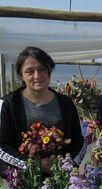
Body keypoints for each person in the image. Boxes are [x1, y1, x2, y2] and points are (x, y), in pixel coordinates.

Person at [0, 46, 86, 175]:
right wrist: (35, 166)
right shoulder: (8, 105)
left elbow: (79, 141)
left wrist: (65, 166)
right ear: (20, 75)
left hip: (60, 179)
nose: (37, 76)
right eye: (29, 71)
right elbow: (2, 147)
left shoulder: (66, 103)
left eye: (42, 69)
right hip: (22, 182)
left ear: (49, 70)